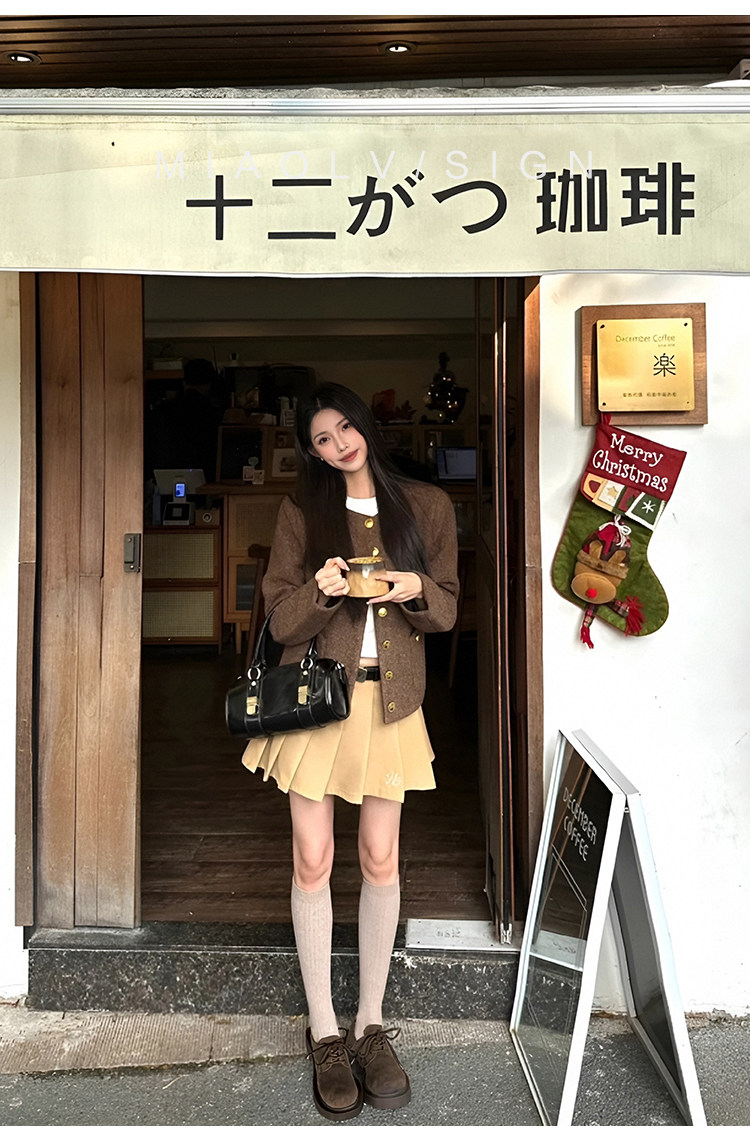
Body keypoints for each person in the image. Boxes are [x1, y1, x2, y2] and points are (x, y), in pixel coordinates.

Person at [241, 382, 459, 1121]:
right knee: (312, 859)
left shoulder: (426, 505)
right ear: (311, 451)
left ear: (364, 422)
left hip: (392, 704)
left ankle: (370, 1023)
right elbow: (280, 619)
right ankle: (324, 1031)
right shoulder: (302, 511)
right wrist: (323, 590)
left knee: (379, 858)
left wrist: (413, 586)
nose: (339, 445)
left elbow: (447, 608)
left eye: (344, 428)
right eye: (322, 440)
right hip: (318, 703)